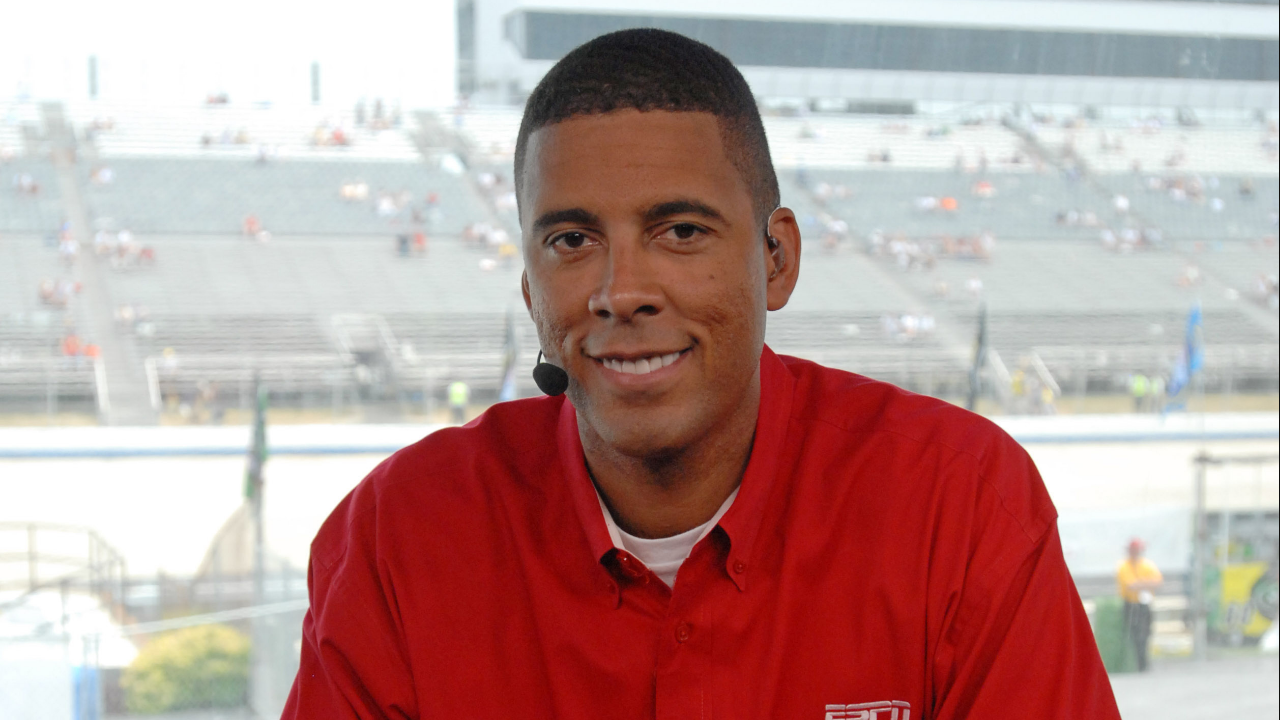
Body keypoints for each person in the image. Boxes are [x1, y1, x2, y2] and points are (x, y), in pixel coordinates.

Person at [285, 30, 1119, 719]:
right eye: (572, 241)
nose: (622, 293)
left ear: (778, 258)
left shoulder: (960, 500)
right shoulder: (397, 538)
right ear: (530, 286)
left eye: (680, 231)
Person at [1117, 538, 1163, 671]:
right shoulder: (1124, 566)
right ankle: (1136, 663)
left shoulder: (1147, 565)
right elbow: (1130, 585)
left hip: (1144, 604)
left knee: (1146, 633)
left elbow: (1158, 582)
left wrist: (1140, 584)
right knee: (1134, 634)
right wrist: (1146, 584)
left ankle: (1144, 663)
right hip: (1131, 604)